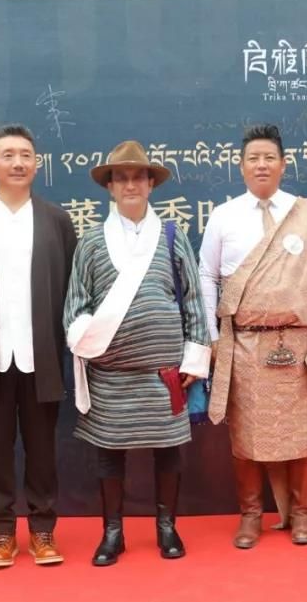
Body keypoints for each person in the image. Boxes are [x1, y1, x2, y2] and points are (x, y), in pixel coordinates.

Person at [200, 124, 307, 548]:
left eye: (269, 158)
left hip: (297, 345)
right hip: (244, 344)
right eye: (253, 158)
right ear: (241, 166)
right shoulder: (224, 216)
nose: (261, 165)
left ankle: (302, 514)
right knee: (246, 438)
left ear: (283, 165)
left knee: (303, 435)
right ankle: (251, 516)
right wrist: (212, 336)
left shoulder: (304, 215)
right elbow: (206, 277)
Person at [63, 141, 210, 565]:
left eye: (138, 177)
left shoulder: (171, 236)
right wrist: (86, 338)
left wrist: (194, 358)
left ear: (150, 185)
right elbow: (75, 305)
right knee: (109, 454)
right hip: (110, 376)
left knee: (168, 451)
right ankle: (113, 532)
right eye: (121, 178)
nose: (130, 185)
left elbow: (193, 300)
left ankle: (167, 527)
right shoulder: (92, 242)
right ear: (110, 187)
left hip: (163, 373)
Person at [0, 124, 78, 567]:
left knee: (43, 450)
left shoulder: (57, 219)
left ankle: (43, 530)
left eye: (26, 155)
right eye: (8, 155)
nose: (18, 162)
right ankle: (1, 534)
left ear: (37, 164)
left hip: (43, 354)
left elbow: (69, 285)